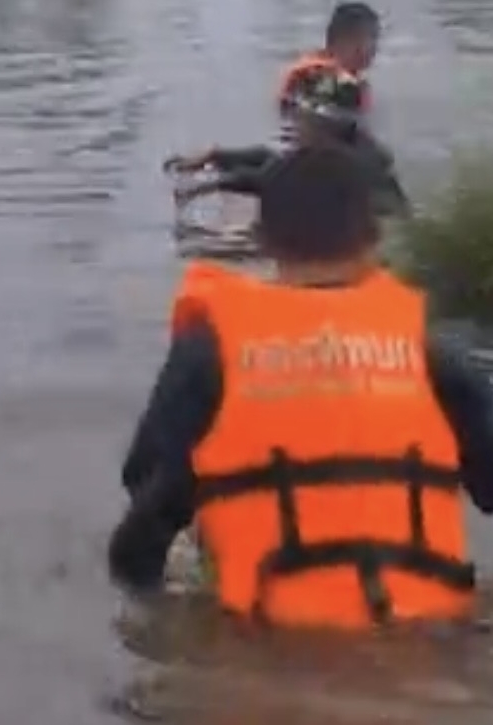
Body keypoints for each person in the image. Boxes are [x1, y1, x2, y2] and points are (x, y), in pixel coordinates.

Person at [110, 144, 493, 629]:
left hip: (265, 643)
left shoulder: (211, 354)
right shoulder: (433, 355)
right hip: (430, 638)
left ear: (262, 241)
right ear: (373, 237)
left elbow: (143, 496)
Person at [164, 76, 409, 218]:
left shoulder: (342, 163)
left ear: (327, 125)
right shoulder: (348, 144)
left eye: (303, 118)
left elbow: (272, 178)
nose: (296, 124)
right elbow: (271, 161)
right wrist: (213, 157)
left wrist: (209, 185)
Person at [277, 1, 379, 119]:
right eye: (369, 38)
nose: (373, 46)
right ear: (341, 41)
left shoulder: (331, 75)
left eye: (375, 38)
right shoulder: (331, 81)